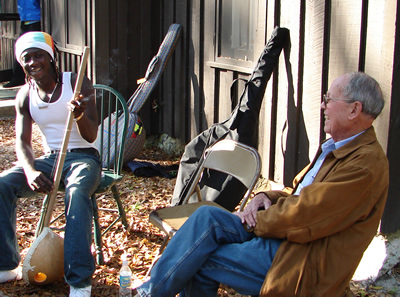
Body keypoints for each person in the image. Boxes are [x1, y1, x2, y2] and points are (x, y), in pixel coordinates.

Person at [134, 72, 389, 297]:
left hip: (298, 260)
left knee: (198, 257)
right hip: (286, 235)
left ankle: (148, 294)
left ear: (354, 110)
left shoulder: (365, 166)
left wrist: (253, 222)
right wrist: (264, 197)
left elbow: (307, 216)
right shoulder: (338, 148)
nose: (323, 105)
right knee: (206, 216)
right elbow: (301, 195)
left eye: (329, 99)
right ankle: (149, 292)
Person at [0, 31, 100, 297]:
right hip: (50, 159)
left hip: (84, 157)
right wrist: (31, 170)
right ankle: (7, 265)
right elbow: (22, 142)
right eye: (27, 58)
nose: (33, 62)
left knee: (77, 192)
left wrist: (79, 115)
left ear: (51, 57)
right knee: (2, 184)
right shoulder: (25, 95)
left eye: (38, 55)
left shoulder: (77, 83)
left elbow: (91, 135)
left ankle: (79, 280)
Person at [4, 0, 41, 88]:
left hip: (35, 18)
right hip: (25, 18)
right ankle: (19, 78)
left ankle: (21, 78)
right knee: (22, 49)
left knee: (32, 50)